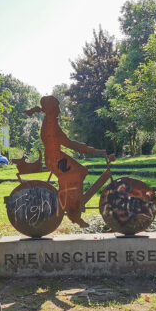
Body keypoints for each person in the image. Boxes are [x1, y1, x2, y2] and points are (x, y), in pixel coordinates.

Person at [25, 96, 106, 227]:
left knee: (81, 172)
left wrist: (90, 150)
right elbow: (68, 143)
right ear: (51, 109)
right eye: (57, 107)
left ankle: (73, 205)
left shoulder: (50, 122)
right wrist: (93, 150)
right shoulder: (51, 125)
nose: (60, 110)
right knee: (78, 173)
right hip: (55, 159)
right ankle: (72, 210)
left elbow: (67, 142)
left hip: (56, 157)